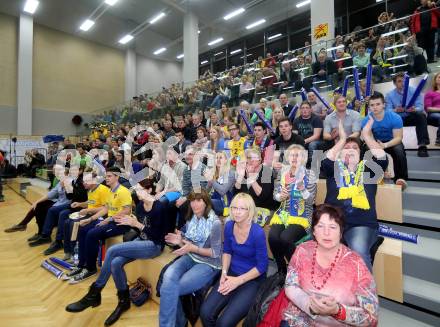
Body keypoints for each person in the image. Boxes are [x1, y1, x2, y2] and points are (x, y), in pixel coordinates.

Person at [65, 179, 167, 326]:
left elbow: (158, 237)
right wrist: (132, 223)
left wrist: (137, 224)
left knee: (112, 250)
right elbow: (140, 230)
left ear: (150, 190)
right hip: (142, 240)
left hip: (154, 245)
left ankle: (95, 292)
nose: (136, 193)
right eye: (136, 190)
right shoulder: (139, 206)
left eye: (140, 190)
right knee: (115, 263)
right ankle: (123, 301)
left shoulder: (159, 208)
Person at [280, 204, 379, 326]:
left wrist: (337, 310)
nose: (326, 233)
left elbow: (371, 316)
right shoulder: (302, 251)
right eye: (320, 226)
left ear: (341, 232)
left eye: (332, 227)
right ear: (314, 232)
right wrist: (309, 305)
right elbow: (291, 285)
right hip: (300, 321)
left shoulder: (356, 264)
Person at [323, 119, 388, 271]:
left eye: (355, 148)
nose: (351, 150)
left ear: (360, 153)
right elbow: (327, 159)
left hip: (361, 224)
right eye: (347, 148)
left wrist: (366, 135)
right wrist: (342, 139)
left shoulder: (369, 170)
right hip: (334, 223)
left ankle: (366, 294)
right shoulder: (334, 169)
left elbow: (382, 159)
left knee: (358, 251)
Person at [200, 193, 268, 327]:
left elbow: (262, 266)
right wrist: (224, 273)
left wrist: (238, 281)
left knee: (224, 323)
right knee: (205, 312)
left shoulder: (257, 232)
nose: (237, 212)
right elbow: (227, 251)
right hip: (231, 272)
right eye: (234, 208)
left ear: (250, 211)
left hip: (252, 280)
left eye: (242, 208)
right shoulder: (229, 225)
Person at [159, 190, 222, 327]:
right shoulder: (192, 218)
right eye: (192, 201)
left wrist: (192, 248)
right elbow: (187, 242)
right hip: (191, 256)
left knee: (170, 289)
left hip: (209, 263)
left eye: (199, 201)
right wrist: (179, 241)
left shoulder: (215, 223)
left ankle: (179, 323)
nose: (194, 204)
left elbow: (215, 253)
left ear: (206, 203)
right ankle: (180, 322)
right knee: (167, 283)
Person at [67, 166, 132, 284]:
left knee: (92, 234)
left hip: (121, 223)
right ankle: (81, 264)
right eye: (106, 176)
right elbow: (106, 208)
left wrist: (109, 219)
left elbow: (127, 210)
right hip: (110, 221)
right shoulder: (110, 191)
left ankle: (90, 268)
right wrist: (90, 219)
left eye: (109, 176)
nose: (106, 178)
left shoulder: (123, 191)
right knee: (83, 229)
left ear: (117, 177)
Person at [269, 145, 317, 273]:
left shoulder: (310, 174)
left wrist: (302, 189)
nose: (294, 158)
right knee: (273, 237)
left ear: (303, 158)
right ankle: (281, 269)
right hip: (284, 214)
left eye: (298, 155)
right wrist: (281, 196)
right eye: (291, 155)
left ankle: (295, 270)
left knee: (286, 238)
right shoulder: (282, 173)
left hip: (302, 217)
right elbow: (275, 195)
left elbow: (311, 200)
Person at [62, 169, 110, 261]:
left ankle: (75, 254)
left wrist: (88, 210)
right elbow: (90, 202)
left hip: (99, 217)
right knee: (67, 222)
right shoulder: (90, 190)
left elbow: (105, 208)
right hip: (90, 213)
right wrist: (80, 204)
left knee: (73, 224)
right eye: (83, 181)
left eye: (86, 181)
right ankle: (68, 251)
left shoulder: (103, 190)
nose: (84, 183)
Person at [362, 93, 408, 188]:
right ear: (369, 107)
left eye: (378, 104)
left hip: (391, 141)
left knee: (399, 150)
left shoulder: (395, 117)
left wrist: (384, 145)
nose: (375, 107)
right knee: (367, 150)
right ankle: (374, 178)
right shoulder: (366, 120)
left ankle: (400, 179)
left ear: (384, 104)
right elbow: (369, 138)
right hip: (375, 142)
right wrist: (377, 147)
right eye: (372, 105)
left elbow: (398, 138)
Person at [4, 164, 64, 234]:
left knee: (40, 207)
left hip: (60, 202)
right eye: (53, 170)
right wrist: (36, 202)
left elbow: (58, 195)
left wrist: (41, 200)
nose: (53, 172)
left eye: (55, 170)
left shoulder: (63, 180)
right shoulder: (56, 178)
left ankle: (24, 225)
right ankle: (31, 228)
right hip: (55, 199)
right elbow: (53, 192)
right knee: (38, 206)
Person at [42, 165, 88, 255]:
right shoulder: (74, 180)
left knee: (61, 213)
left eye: (75, 170)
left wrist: (70, 188)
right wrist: (67, 188)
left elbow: (82, 197)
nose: (72, 172)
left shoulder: (83, 181)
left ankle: (58, 241)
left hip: (81, 206)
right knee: (54, 211)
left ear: (81, 171)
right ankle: (48, 236)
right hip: (74, 205)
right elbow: (70, 196)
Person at [385, 72, 430, 157]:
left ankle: (422, 146)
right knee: (389, 119)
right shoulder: (389, 95)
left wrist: (414, 109)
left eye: (405, 81)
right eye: (399, 81)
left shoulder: (414, 90)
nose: (403, 83)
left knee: (421, 116)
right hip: (398, 118)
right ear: (394, 83)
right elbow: (387, 111)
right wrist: (396, 110)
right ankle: (396, 147)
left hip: (411, 116)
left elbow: (420, 106)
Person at [235, 148, 277, 224]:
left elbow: (262, 196)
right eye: (249, 158)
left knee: (242, 221)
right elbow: (237, 192)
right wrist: (240, 176)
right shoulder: (245, 170)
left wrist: (251, 177)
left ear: (260, 160)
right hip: (246, 208)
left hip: (264, 209)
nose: (250, 161)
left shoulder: (266, 171)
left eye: (253, 158)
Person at [206, 151, 235, 217]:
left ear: (225, 160)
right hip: (214, 200)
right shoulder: (214, 173)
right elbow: (206, 191)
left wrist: (211, 180)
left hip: (225, 204)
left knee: (206, 203)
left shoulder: (230, 173)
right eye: (216, 158)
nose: (218, 160)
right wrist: (209, 180)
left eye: (221, 158)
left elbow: (222, 191)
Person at [423, 71, 440, 146]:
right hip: (433, 115)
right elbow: (428, 108)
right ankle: (439, 139)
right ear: (435, 80)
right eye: (439, 77)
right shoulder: (430, 93)